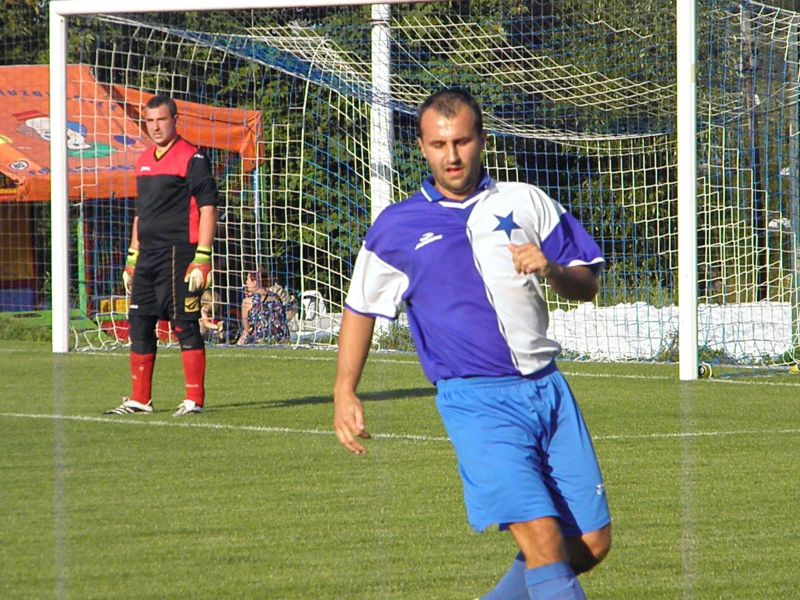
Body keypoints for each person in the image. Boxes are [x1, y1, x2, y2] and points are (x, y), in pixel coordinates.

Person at [333, 88, 611, 600]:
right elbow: (361, 309)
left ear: (481, 140)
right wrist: (345, 391)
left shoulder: (524, 201)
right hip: (477, 402)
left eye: (462, 141)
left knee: (588, 544)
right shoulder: (396, 227)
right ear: (421, 147)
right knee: (545, 543)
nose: (452, 155)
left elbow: (588, 283)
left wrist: (550, 269)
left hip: (548, 390)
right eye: (440, 145)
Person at [105, 94, 218, 417]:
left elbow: (208, 208)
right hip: (147, 257)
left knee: (185, 324)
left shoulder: (192, 158)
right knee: (139, 322)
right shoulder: (142, 160)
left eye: (161, 120)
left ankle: (194, 400)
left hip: (179, 254)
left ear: (174, 120)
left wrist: (203, 258)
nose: (155, 127)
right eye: (150, 121)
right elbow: (142, 214)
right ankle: (140, 399)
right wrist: (131, 257)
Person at [235, 269, 289, 345]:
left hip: (261, 338)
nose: (246, 283)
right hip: (281, 337)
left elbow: (247, 330)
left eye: (248, 280)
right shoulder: (276, 298)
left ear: (255, 282)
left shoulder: (247, 302)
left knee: (242, 338)